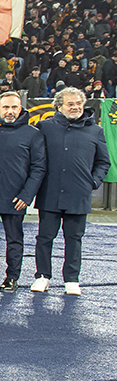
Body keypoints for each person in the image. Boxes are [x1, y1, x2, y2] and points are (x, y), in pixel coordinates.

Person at [33, 87, 110, 295]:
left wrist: (92, 183)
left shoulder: (96, 131)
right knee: (44, 237)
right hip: (50, 193)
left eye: (79, 103)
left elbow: (104, 162)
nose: (76, 107)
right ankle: (42, 276)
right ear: (59, 106)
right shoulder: (44, 127)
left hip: (79, 194)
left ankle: (72, 280)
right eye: (70, 104)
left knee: (74, 239)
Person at [0, 92, 46, 290]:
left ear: (21, 109)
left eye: (14, 107)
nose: (9, 111)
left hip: (16, 197)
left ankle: (12, 277)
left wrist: (27, 195)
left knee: (14, 239)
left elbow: (38, 168)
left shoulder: (33, 133)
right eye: (6, 107)